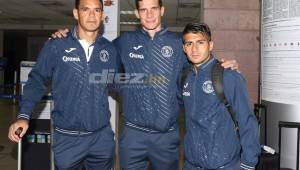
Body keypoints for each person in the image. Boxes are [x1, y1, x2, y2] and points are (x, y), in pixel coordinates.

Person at [51, 0, 239, 169]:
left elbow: (200, 63)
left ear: (162, 10)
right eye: (144, 10)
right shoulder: (124, 42)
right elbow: (99, 55)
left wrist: (222, 66)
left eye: (153, 9)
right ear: (137, 13)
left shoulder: (178, 44)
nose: (149, 14)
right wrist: (66, 37)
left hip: (167, 136)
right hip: (133, 135)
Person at [8, 0, 119, 169]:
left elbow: (119, 82)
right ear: (76, 13)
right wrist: (23, 116)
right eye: (85, 9)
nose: (91, 15)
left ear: (102, 15)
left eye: (97, 10)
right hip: (68, 139)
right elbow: (36, 80)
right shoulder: (57, 45)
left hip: (101, 139)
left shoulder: (109, 50)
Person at [181, 22, 260, 170]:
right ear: (184, 48)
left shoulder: (228, 76)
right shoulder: (185, 77)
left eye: (200, 42)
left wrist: (248, 163)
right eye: (189, 43)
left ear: (210, 45)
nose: (194, 48)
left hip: (225, 165)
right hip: (192, 165)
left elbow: (247, 120)